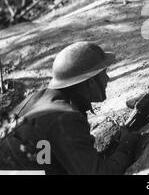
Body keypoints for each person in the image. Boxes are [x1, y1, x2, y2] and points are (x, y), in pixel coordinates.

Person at [0, 42, 140, 175]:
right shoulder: (65, 117)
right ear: (90, 81)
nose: (107, 79)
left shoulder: (39, 98)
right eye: (103, 73)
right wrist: (126, 145)